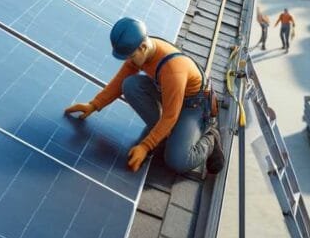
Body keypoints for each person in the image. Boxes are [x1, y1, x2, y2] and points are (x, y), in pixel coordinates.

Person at [64, 18, 224, 175]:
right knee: (129, 84)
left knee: (177, 160)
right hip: (169, 93)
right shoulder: (141, 50)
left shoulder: (173, 70)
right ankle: (163, 133)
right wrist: (94, 105)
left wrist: (146, 146)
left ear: (143, 46)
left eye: (131, 56)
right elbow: (120, 81)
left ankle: (211, 139)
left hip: (194, 106)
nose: (129, 61)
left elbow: (170, 116)